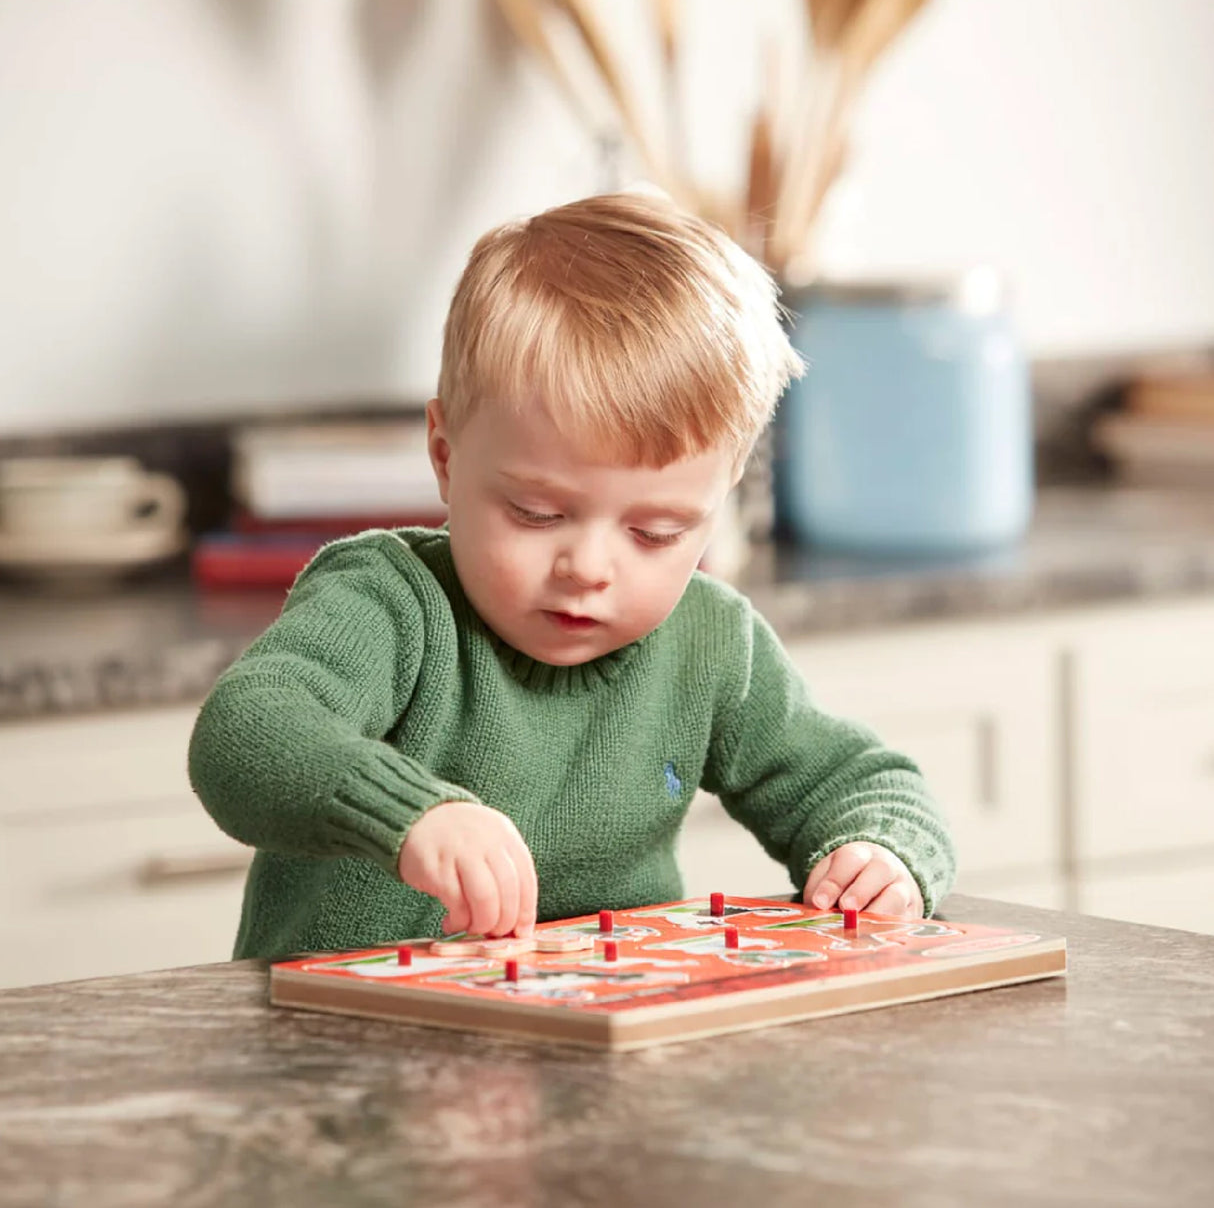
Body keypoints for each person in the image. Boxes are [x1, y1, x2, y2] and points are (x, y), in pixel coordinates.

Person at [188, 190, 956, 961]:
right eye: (537, 513)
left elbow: (861, 782)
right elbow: (248, 734)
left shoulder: (709, 641)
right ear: (446, 456)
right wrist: (409, 817)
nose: (589, 568)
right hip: (341, 1058)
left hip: (599, 1058)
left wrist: (879, 855)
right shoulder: (388, 602)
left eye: (656, 532)